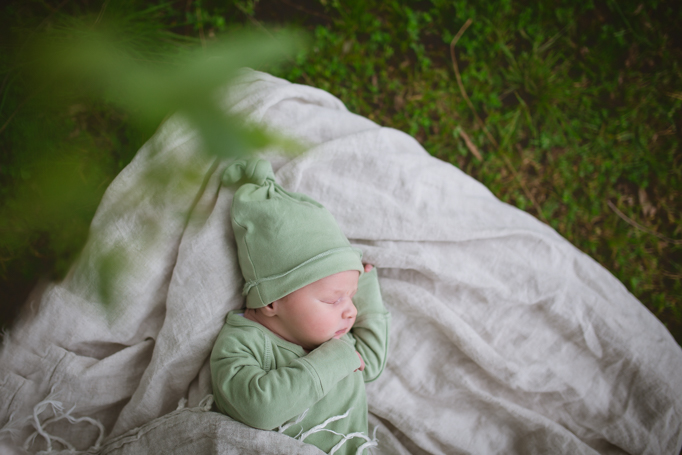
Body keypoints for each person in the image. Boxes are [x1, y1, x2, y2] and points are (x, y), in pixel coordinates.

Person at [211, 158, 391, 455]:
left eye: (351, 295)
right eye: (335, 299)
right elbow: (260, 410)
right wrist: (334, 359)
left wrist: (367, 289)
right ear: (272, 301)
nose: (352, 311)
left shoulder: (332, 335)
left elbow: (369, 361)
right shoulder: (243, 344)